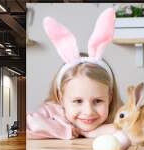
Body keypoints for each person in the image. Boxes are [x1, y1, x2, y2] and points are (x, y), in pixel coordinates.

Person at [27, 8, 122, 139]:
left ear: (110, 97)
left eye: (98, 101)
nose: (88, 112)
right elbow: (27, 123)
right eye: (78, 101)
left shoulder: (119, 115)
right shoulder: (51, 111)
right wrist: (68, 131)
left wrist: (93, 133)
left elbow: (138, 130)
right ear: (61, 97)